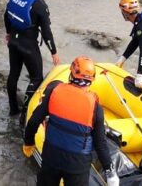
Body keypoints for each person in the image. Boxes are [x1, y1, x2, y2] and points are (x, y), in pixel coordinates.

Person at [23, 56, 118, 186]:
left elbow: (34, 120)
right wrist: (110, 171)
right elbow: (100, 143)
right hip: (77, 165)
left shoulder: (54, 91)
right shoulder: (96, 108)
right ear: (92, 79)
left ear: (71, 73)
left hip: (51, 156)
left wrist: (28, 142)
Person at [4, 0, 60, 116]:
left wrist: (9, 33)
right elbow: (46, 32)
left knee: (13, 74)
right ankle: (26, 112)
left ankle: (13, 109)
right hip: (29, 46)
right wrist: (53, 52)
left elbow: (7, 15)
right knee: (36, 78)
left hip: (14, 43)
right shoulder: (40, 5)